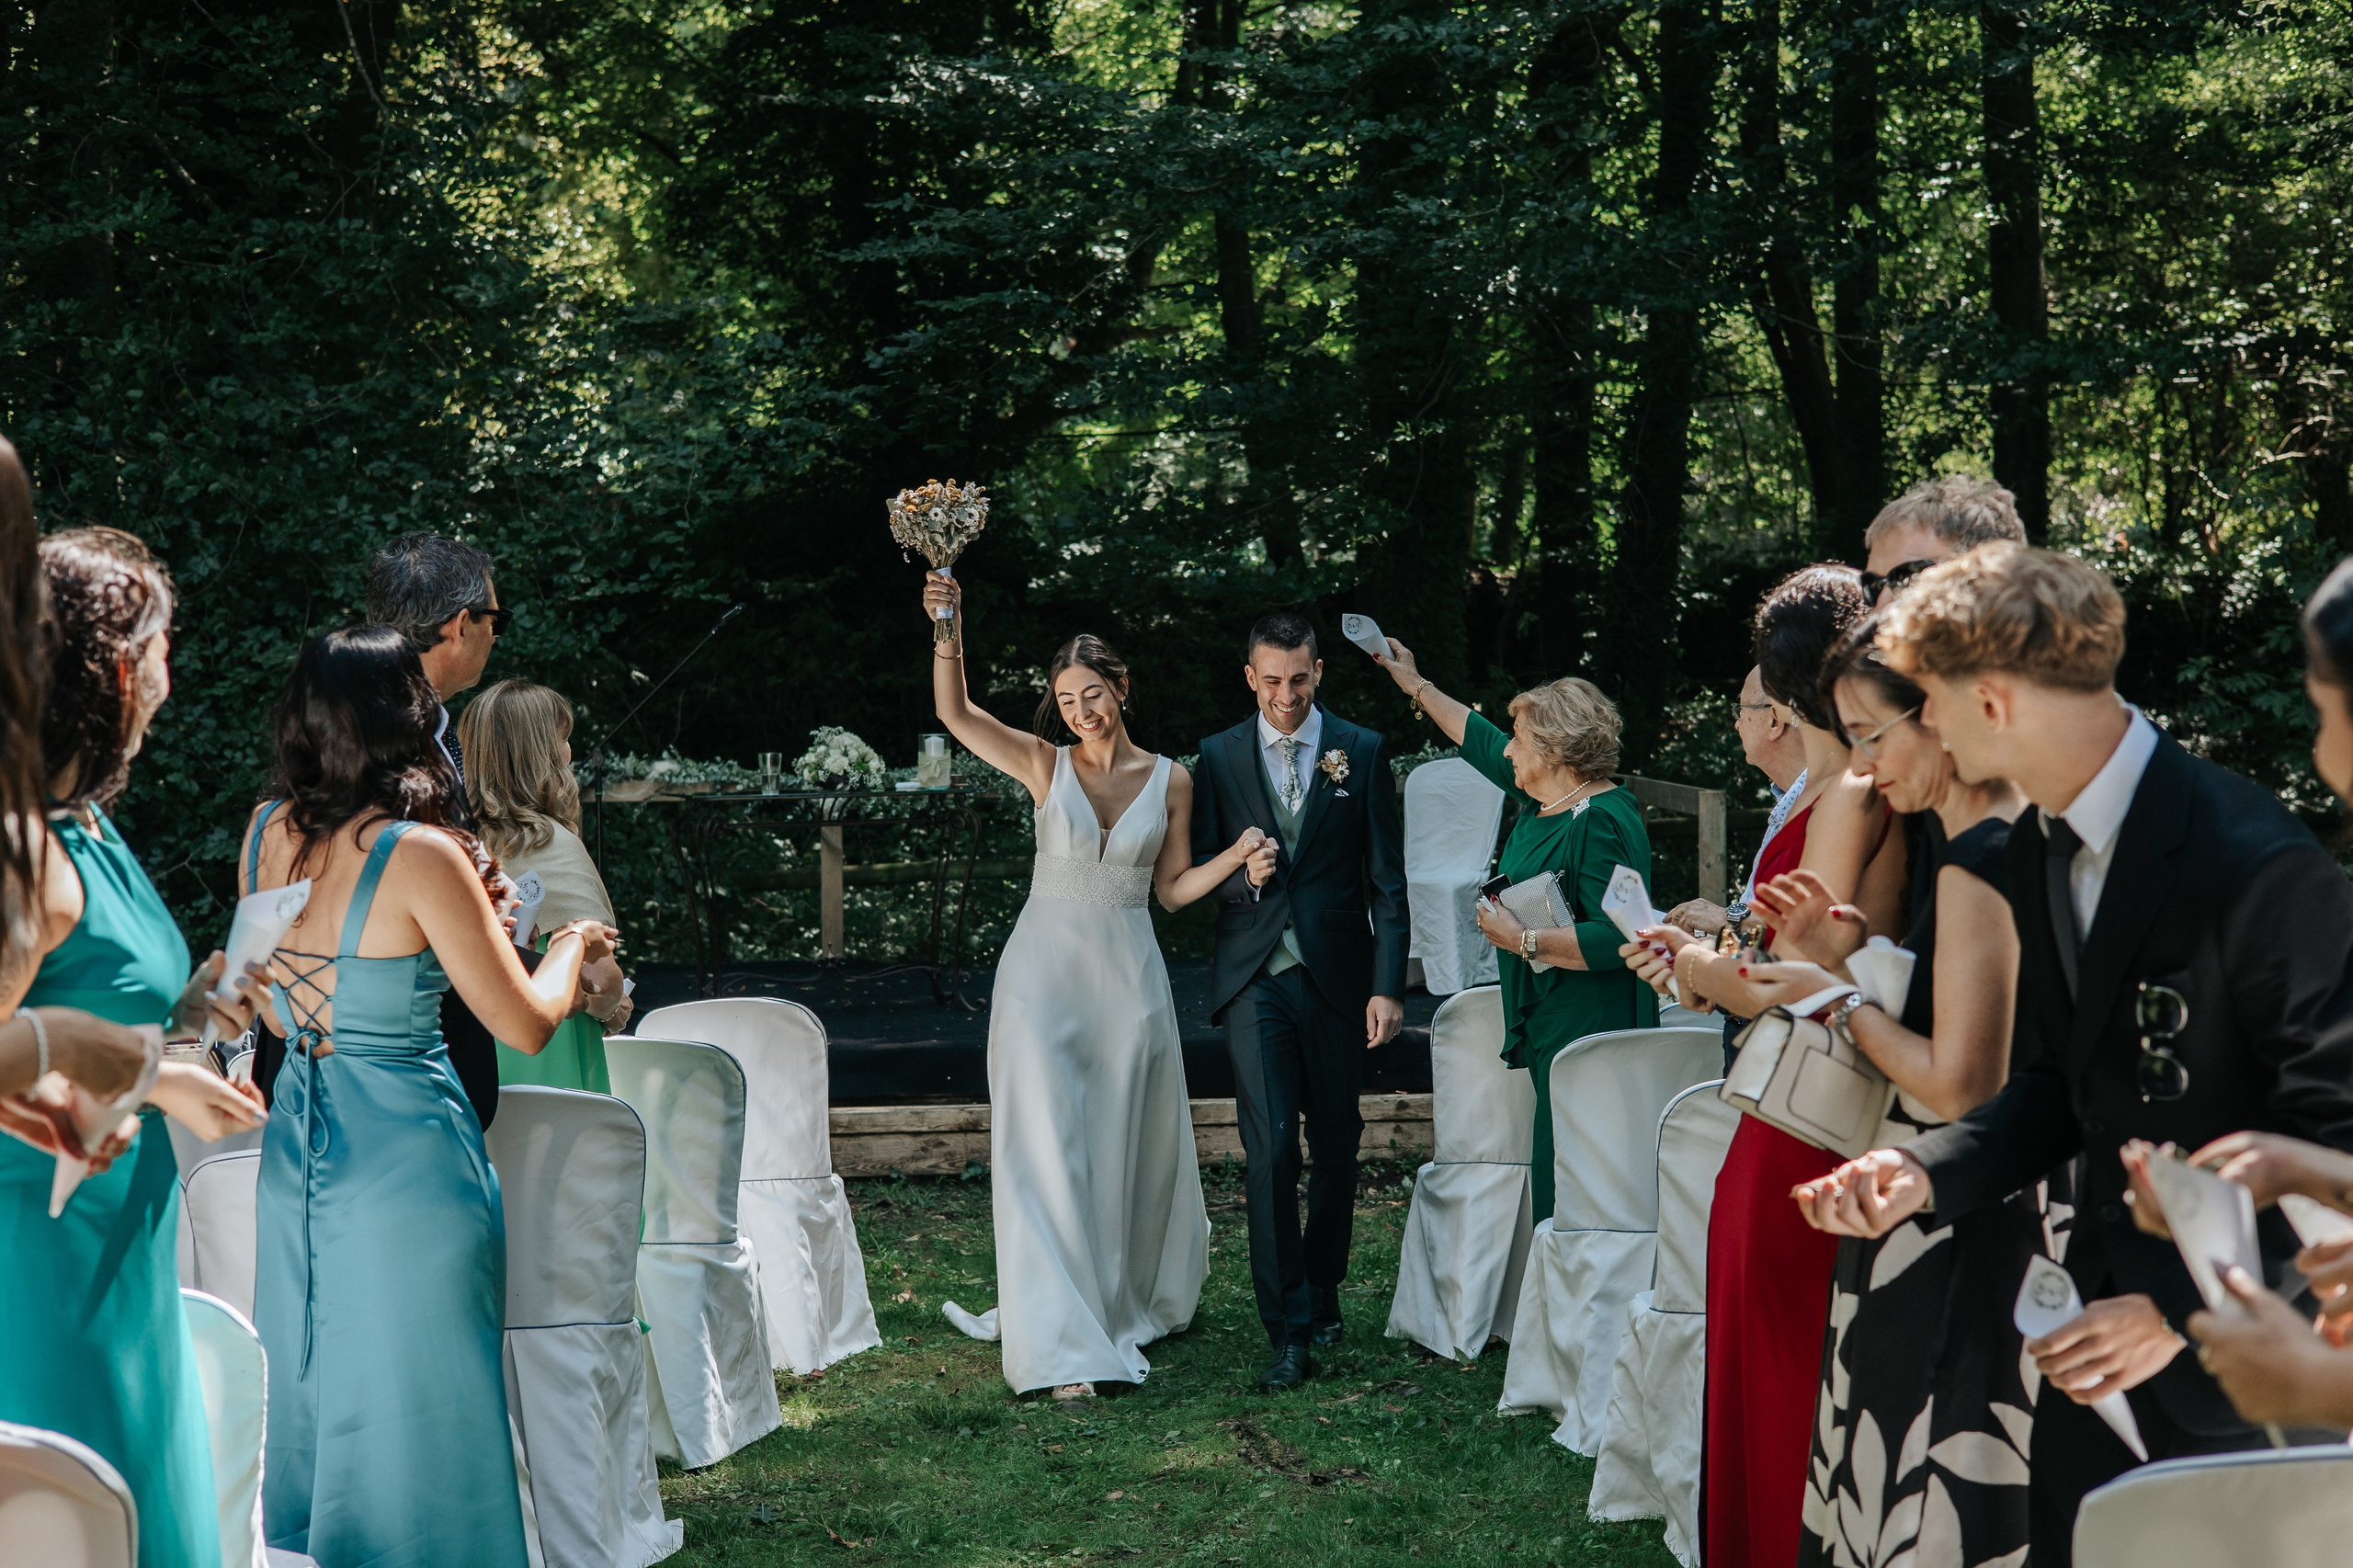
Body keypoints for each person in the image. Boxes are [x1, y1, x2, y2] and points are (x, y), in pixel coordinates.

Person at [1797, 542, 2353, 1565]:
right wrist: (1921, 1168)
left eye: (1929, 700)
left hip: (2248, 1393)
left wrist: (2178, 1314)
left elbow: (2329, 1140)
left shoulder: (2255, 861)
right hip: (2083, 1356)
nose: (1925, 729)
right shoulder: (2040, 849)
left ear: (1992, 701)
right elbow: (2058, 1085)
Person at [244, 626, 616, 1568]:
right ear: (409, 719)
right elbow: (527, 1021)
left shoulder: (266, 831)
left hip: (300, 1143)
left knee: (324, 1381)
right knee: (429, 1393)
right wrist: (571, 942)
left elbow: (276, 1017)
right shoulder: (422, 853)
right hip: (408, 1155)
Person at [1701, 611, 2038, 1567]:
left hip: (1889, 1135)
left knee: (1843, 1409)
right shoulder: (1963, 830)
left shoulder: (1971, 848)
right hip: (1898, 1135)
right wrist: (1839, 957)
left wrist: (1831, 988)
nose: (1864, 762)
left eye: (1872, 735)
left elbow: (1960, 1073)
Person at [922, 574, 1268, 1399]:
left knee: (1116, 1147)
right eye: (1066, 698)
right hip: (1043, 978)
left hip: (1129, 983)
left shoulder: (1172, 780)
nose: (1080, 709)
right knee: (1042, 1147)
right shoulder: (1045, 765)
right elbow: (956, 714)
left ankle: (1108, 1297)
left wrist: (1239, 850)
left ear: (1120, 688)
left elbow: (1175, 890)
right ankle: (1060, 1343)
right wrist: (949, 624)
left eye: (1093, 693)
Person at [0, 526, 272, 1568]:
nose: (171, 676)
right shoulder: (22, 843)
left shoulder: (90, 826)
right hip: (38, 1255)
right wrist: (151, 1073)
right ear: (116, 665)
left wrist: (194, 1012)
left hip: (123, 1241)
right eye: (163, 650)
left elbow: (97, 1031)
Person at [1620, 563, 1903, 1568]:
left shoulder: (1851, 791)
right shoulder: (1846, 785)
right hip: (1792, 1100)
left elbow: (1793, 974)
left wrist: (1702, 967)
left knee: (1780, 1362)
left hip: (1796, 1116)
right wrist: (1702, 972)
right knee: (1779, 1353)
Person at [1191, 609, 1408, 1391]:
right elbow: (1197, 868)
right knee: (1274, 1146)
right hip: (1255, 977)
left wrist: (1388, 984)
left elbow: (1387, 880)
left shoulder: (1363, 750)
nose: (1286, 695)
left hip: (1340, 981)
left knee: (1339, 1145)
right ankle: (1286, 1328)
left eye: (1300, 679)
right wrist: (1241, 874)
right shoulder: (1216, 757)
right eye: (1272, 680)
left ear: (1320, 674)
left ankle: (1324, 1286)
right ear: (1250, 677)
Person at [1372, 649, 1654, 1221]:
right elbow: (1476, 737)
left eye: (1519, 740)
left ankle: (1578, 1292)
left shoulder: (1597, 820)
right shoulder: (1550, 795)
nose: (1508, 749)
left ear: (1554, 752)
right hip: (1558, 1014)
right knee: (1562, 1160)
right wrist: (1414, 682)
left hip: (1589, 1022)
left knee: (1578, 1174)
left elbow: (1624, 938)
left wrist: (1522, 940)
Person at [363, 531, 516, 1127]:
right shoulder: (385, 742)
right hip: (411, 1086)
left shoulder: (417, 725)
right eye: (494, 620)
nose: (495, 636)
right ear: (458, 624)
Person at [459, 679, 632, 1091]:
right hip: (545, 1055)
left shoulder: (448, 840)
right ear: (541, 754)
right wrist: (611, 1008)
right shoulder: (551, 844)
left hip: (470, 1050)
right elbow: (599, 977)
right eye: (564, 738)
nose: (569, 751)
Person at [1664, 665, 1808, 940]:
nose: (1737, 723)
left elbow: (1803, 932)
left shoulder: (1815, 802)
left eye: (1741, 710)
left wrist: (1724, 919)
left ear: (1775, 721)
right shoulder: (1791, 797)